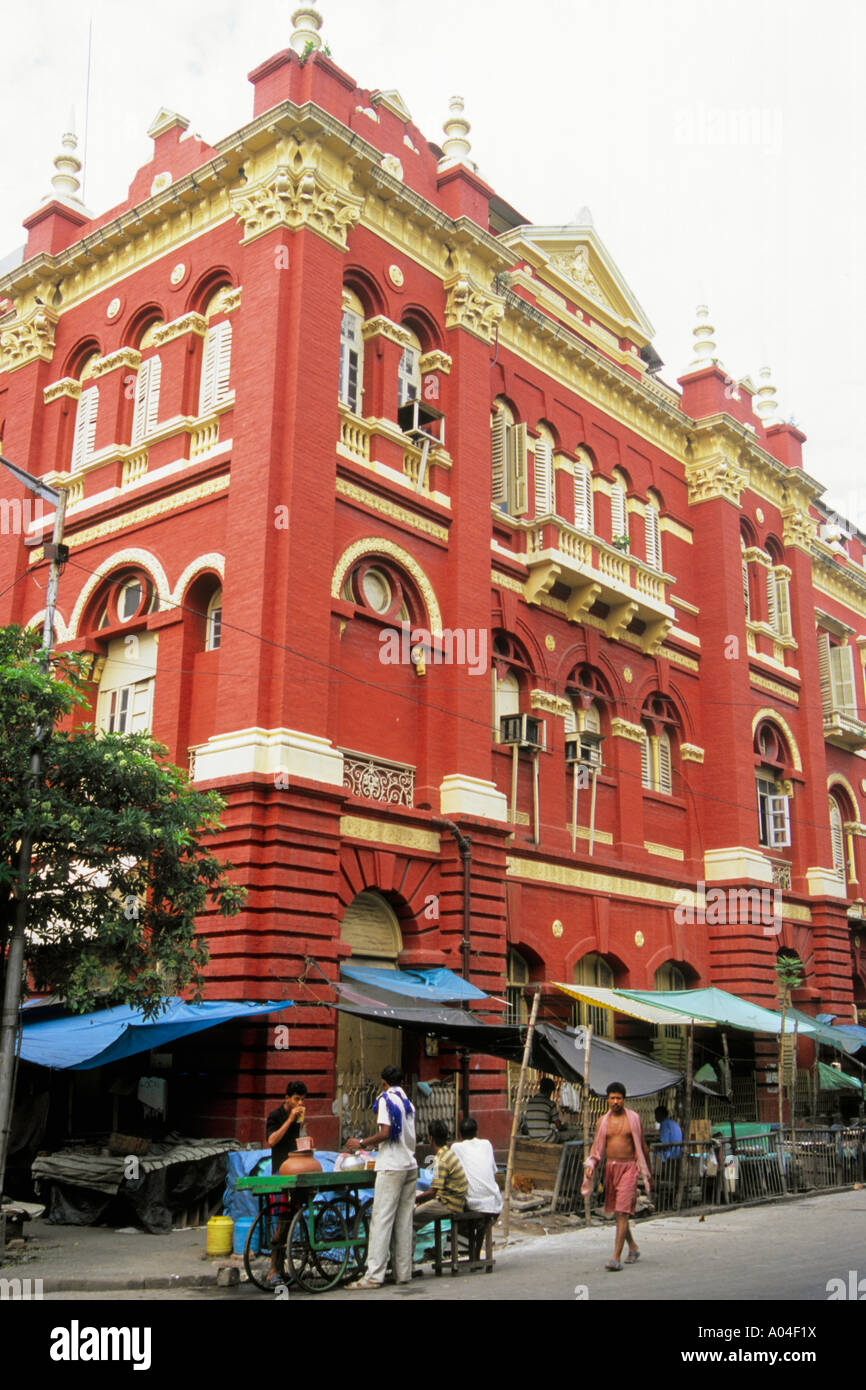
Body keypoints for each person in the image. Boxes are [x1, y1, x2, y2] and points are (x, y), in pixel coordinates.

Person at [344, 1064, 417, 1290]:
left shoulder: (386, 1099)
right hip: (409, 1165)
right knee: (404, 1220)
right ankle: (403, 1272)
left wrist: (361, 1143)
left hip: (392, 1166)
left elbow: (385, 1132)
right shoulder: (407, 1102)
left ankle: (374, 1275)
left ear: (383, 1082)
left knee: (382, 1220)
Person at [582, 1081, 652, 1271]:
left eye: (618, 1098)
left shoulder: (634, 1119)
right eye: (612, 1098)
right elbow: (597, 1147)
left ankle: (615, 1257)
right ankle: (633, 1248)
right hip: (611, 1169)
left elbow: (642, 1146)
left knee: (622, 1212)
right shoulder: (602, 1121)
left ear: (624, 1100)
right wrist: (591, 1164)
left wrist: (648, 1172)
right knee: (619, 1212)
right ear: (607, 1100)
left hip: (629, 1168)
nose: (615, 1102)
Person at [263, 1080, 308, 1286]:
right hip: (280, 1173)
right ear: (287, 1098)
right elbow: (272, 1140)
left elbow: (296, 1142)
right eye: (296, 1099)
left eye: (302, 1100)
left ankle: (281, 1270)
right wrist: (290, 1119)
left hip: (295, 1171)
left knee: (289, 1222)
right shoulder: (276, 1116)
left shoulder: (299, 1119)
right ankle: (273, 1271)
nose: (299, 1103)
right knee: (281, 1223)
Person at [413, 1119, 468, 1226]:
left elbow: (432, 1192)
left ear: (431, 1139)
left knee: (410, 1216)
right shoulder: (449, 1153)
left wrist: (413, 1200)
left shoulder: (441, 1159)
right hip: (456, 1201)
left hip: (449, 1204)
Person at [451, 1116, 503, 1215]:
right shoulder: (487, 1144)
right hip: (495, 1201)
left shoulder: (456, 1147)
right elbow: (493, 1172)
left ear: (460, 1134)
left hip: (474, 1202)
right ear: (476, 1132)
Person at [521, 1077, 567, 1141]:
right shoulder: (550, 1104)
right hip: (547, 1139)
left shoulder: (530, 1102)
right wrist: (563, 1127)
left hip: (532, 1138)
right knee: (562, 1136)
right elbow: (558, 1125)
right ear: (550, 1091)